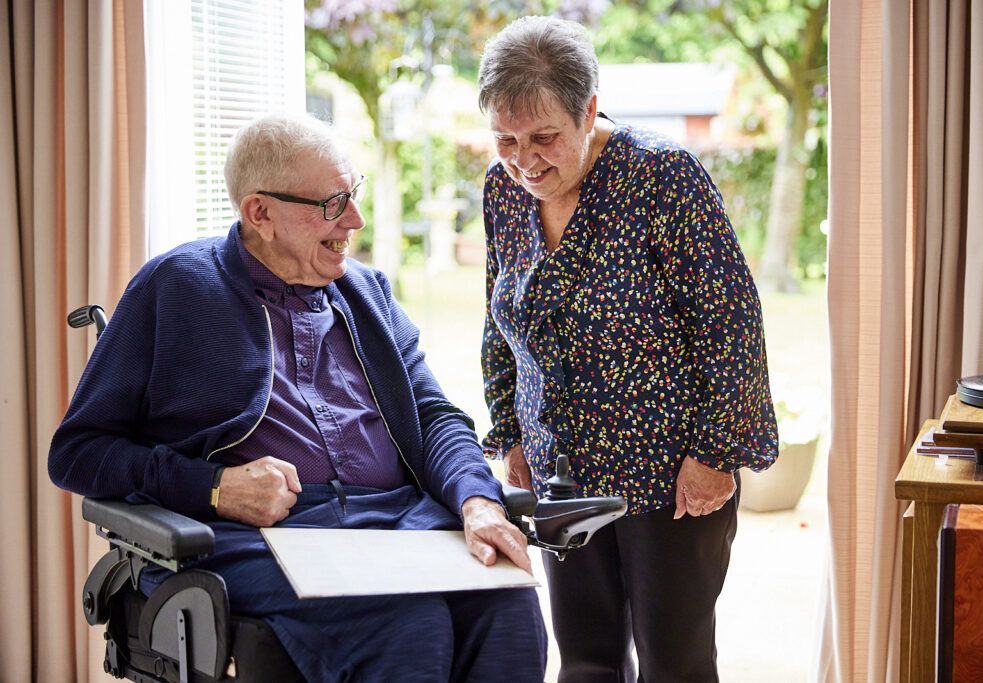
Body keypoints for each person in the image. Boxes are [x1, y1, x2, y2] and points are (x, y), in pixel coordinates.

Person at [49, 113, 547, 682]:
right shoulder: (175, 287)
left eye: (352, 195)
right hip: (258, 538)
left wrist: (476, 499)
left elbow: (434, 417)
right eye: (332, 205)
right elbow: (78, 453)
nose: (355, 220)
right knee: (406, 622)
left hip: (394, 523)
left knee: (508, 606)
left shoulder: (368, 293)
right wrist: (213, 488)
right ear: (260, 213)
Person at [477, 16, 779, 683]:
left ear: (589, 110)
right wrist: (512, 430)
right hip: (563, 468)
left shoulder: (663, 176)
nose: (525, 160)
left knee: (674, 663)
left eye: (545, 137)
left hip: (670, 474)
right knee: (584, 659)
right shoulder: (503, 190)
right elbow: (498, 314)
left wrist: (713, 454)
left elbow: (731, 323)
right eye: (506, 139)